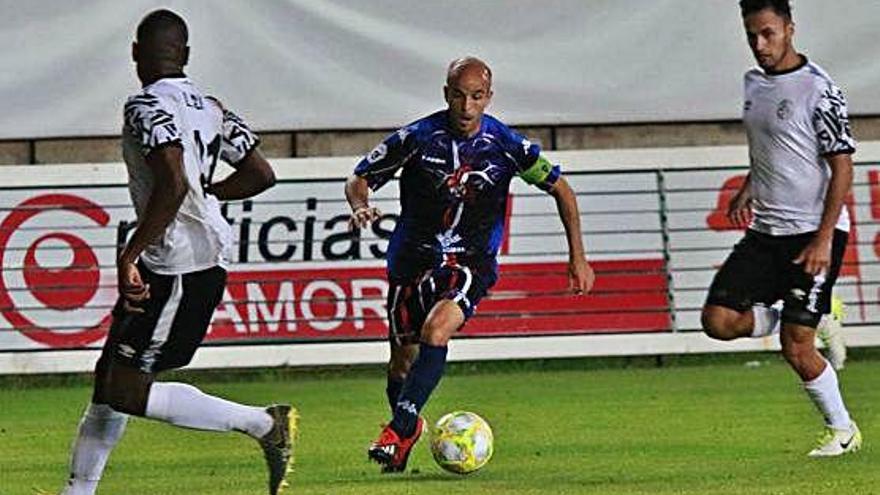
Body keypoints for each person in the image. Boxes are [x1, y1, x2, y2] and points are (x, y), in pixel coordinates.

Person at [60, 10, 295, 495]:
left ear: (135, 54)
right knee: (110, 381)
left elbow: (172, 181)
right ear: (185, 56)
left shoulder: (143, 106)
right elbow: (260, 174)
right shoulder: (212, 109)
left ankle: (264, 424)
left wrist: (131, 252)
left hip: (177, 265)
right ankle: (77, 491)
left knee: (123, 388)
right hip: (190, 260)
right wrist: (210, 197)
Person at [346, 56, 595, 472]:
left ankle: (398, 428)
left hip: (470, 261)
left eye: (476, 97)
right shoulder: (418, 138)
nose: (466, 107)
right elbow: (360, 178)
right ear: (446, 94)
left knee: (436, 329)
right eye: (459, 96)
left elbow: (562, 190)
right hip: (413, 261)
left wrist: (578, 257)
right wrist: (360, 205)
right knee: (402, 362)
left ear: (488, 98)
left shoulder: (507, 145)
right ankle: (407, 431)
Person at [701, 0, 861, 457]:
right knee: (718, 321)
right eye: (751, 35)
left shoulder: (819, 89)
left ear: (790, 29)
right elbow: (774, 146)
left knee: (796, 347)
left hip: (813, 232)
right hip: (767, 229)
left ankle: (843, 430)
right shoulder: (754, 83)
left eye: (768, 33)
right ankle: (816, 313)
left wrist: (824, 238)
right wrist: (749, 186)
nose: (759, 44)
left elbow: (842, 169)